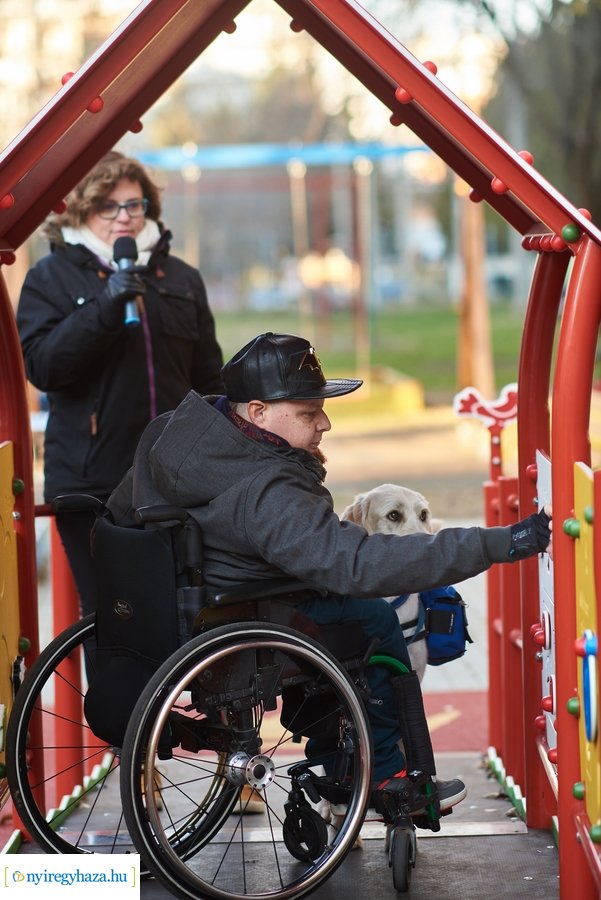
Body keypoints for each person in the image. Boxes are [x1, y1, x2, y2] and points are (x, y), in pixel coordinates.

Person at [107, 331, 552, 817]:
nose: (326, 423)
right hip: (249, 613)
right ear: (257, 412)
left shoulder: (177, 435)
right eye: (307, 412)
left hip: (174, 607)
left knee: (341, 620)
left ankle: (334, 760)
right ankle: (385, 772)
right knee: (374, 622)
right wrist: (494, 543)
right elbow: (358, 564)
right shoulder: (266, 489)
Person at [17, 150, 224, 621]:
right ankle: (118, 700)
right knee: (114, 620)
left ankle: (168, 699)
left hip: (175, 484)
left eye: (134, 205)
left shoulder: (181, 279)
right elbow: (43, 367)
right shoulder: (49, 278)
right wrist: (106, 308)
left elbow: (209, 380)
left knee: (179, 618)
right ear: (82, 211)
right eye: (107, 207)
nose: (123, 218)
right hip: (93, 486)